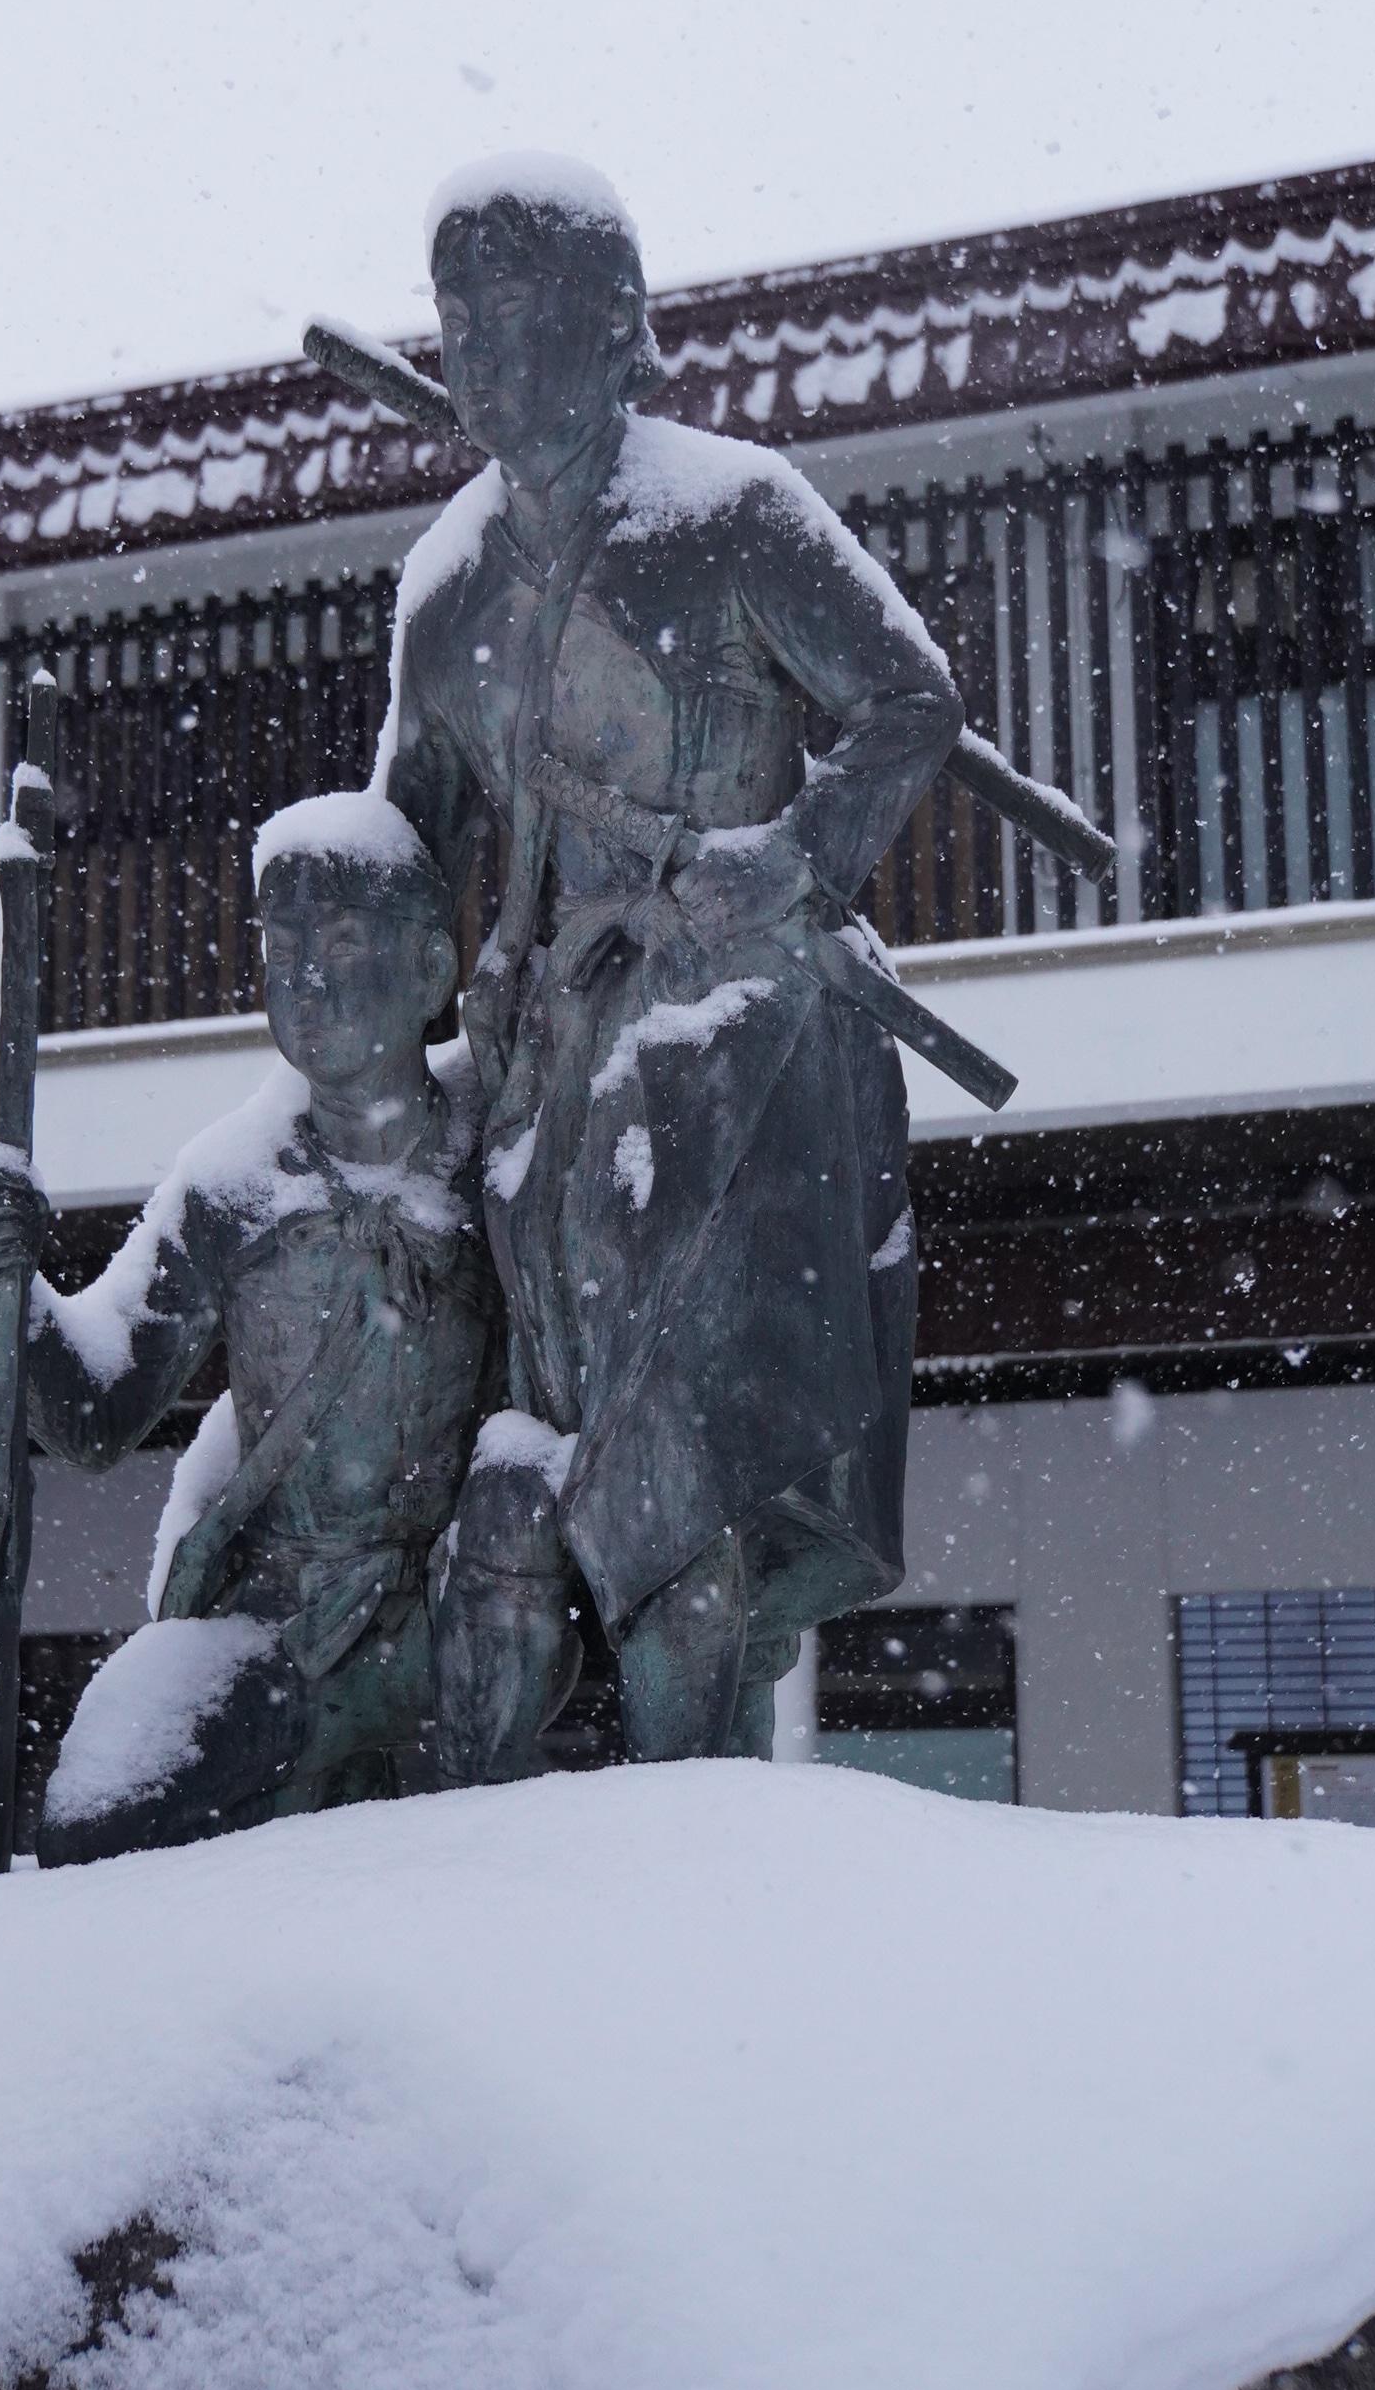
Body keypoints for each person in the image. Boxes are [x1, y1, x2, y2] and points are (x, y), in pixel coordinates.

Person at [379, 153, 962, 1768]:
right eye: (455, 325)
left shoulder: (735, 513)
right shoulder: (448, 593)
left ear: (618, 325)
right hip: (547, 1054)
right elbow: (408, 853)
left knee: (678, 1449)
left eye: (518, 318)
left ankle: (688, 1811)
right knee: (535, 1452)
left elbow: (909, 700)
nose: (483, 358)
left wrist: (796, 853)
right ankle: (511, 1815)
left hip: (738, 1037)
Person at [0, 790, 503, 1857]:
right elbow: (100, 1410)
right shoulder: (231, 1183)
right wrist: (5, 1288)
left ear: (431, 970)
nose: (308, 976)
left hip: (451, 1600)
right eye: (282, 942)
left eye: (345, 940)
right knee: (96, 1813)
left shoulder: (492, 1152)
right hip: (270, 1615)